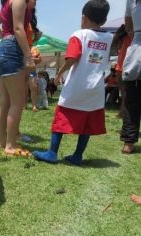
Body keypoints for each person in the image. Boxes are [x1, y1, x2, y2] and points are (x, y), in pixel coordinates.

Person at [33, 0, 113, 165]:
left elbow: (72, 58)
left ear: (83, 18)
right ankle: (77, 155)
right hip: (96, 88)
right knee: (88, 122)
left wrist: (58, 74)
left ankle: (52, 153)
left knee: (61, 116)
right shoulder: (109, 38)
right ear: (104, 20)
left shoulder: (79, 35)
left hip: (77, 86)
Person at [0, 0, 35, 156]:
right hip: (12, 51)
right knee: (18, 101)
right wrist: (29, 57)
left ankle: (1, 142)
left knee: (5, 101)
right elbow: (18, 28)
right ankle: (10, 145)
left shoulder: (7, 3)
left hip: (3, 51)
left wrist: (5, 37)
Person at [120, 0, 141, 154]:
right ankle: (129, 140)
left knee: (132, 97)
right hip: (138, 44)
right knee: (132, 95)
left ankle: (129, 141)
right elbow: (128, 25)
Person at [113, 24, 132, 118]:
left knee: (124, 93)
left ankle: (121, 113)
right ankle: (123, 113)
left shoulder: (120, 39)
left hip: (120, 67)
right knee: (129, 94)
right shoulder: (133, 37)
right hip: (130, 67)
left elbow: (118, 51)